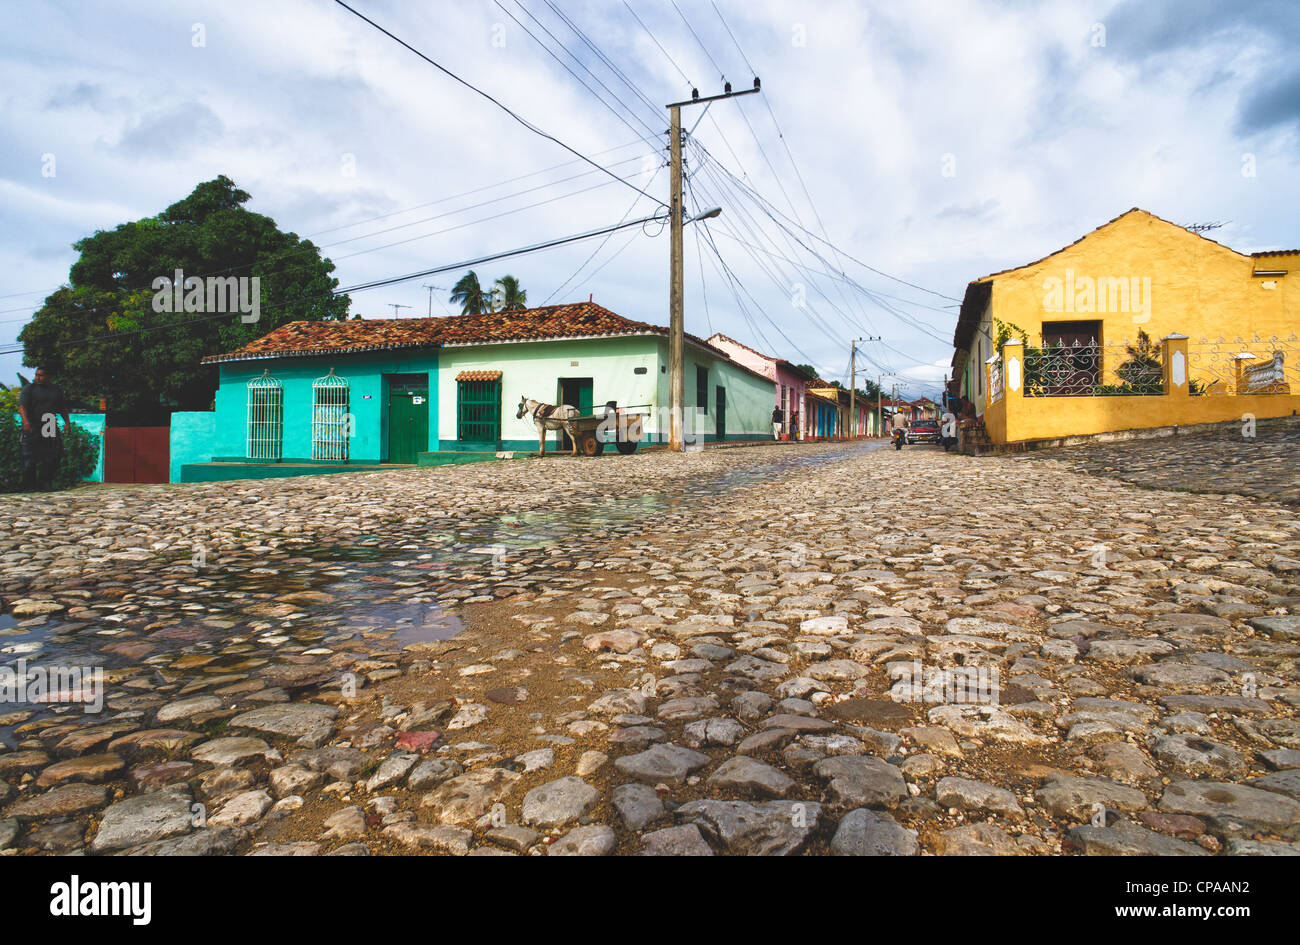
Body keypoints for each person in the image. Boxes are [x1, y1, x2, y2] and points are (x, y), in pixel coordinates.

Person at [18, 367, 71, 491]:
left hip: (49, 423)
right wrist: (26, 422)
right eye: (36, 375)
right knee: (29, 457)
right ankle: (30, 486)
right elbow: (22, 407)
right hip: (32, 424)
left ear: (48, 377)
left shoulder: (56, 390)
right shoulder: (29, 389)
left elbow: (62, 408)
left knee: (53, 454)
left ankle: (45, 482)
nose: (38, 377)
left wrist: (67, 423)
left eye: (41, 375)